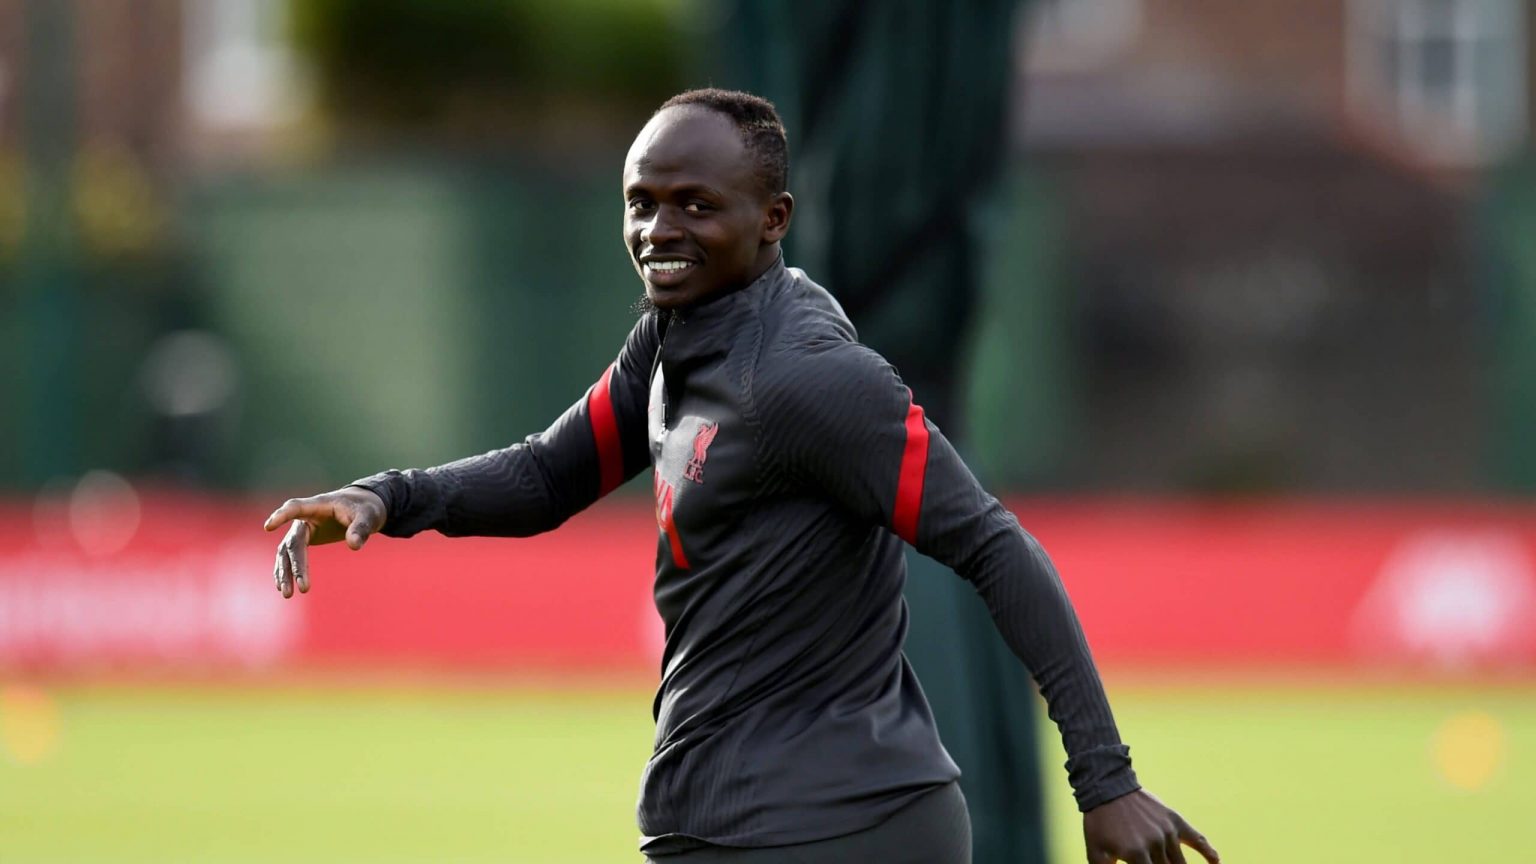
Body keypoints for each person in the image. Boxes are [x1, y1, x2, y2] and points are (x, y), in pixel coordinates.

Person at [264, 88, 1218, 864]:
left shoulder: (808, 376)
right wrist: (387, 496)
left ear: (774, 219)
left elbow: (996, 548)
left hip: (834, 827)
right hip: (727, 821)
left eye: (695, 204)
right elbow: (549, 475)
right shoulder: (670, 340)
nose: (658, 228)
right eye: (641, 201)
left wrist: (1106, 781)